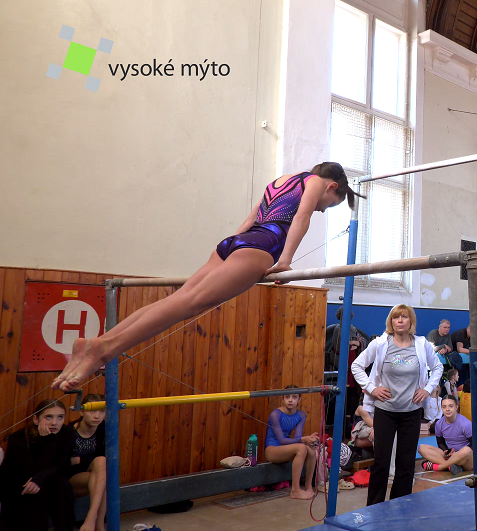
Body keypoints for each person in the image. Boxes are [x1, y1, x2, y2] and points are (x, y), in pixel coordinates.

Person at [53, 162, 359, 391]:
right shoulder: (315, 182)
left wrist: (233, 247)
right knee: (187, 305)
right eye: (329, 205)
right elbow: (302, 217)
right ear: (332, 186)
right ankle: (105, 350)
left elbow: (250, 219)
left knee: (178, 300)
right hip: (262, 246)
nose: (322, 210)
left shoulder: (280, 181)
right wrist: (285, 261)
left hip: (236, 243)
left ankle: (98, 343)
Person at [351, 304, 443, 506]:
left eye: (404, 317)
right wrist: (371, 388)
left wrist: (427, 389)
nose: (400, 321)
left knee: (406, 463)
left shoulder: (421, 344)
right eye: (396, 317)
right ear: (391, 322)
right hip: (385, 412)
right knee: (381, 463)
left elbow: (437, 367)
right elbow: (356, 365)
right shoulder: (380, 344)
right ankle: (374, 507)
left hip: (411, 412)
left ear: (411, 321)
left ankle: (400, 506)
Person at [0, 400, 74, 531]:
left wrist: (40, 479)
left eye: (60, 417)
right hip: (17, 481)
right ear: (36, 419)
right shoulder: (19, 437)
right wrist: (49, 441)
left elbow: (60, 465)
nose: (54, 423)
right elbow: (31, 470)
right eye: (48, 417)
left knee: (61, 484)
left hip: (43, 477)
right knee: (38, 490)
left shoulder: (66, 433)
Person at [264, 386, 319, 500]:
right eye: (287, 397)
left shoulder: (301, 415)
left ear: (299, 399)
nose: (290, 400)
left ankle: (308, 486)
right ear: (282, 399)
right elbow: (281, 440)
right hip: (272, 449)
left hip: (286, 448)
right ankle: (295, 490)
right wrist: (303, 439)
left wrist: (309, 439)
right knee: (302, 448)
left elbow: (298, 437)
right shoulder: (276, 414)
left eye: (294, 397)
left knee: (311, 450)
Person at [65, 394, 107, 531]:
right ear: (82, 411)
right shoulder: (70, 431)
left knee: (101, 464)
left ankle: (94, 521)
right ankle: (95, 522)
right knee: (101, 479)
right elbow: (63, 463)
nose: (97, 416)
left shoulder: (104, 429)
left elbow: (105, 459)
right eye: (92, 411)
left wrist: (79, 460)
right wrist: (83, 461)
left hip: (95, 476)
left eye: (102, 411)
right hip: (71, 480)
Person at [417, 396, 473, 475]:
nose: (447, 409)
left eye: (451, 406)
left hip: (465, 458)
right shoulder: (439, 424)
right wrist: (446, 451)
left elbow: (475, 446)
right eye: (444, 407)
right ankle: (450, 466)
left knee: (466, 450)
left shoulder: (465, 424)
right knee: (421, 448)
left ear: (456, 407)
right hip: (450, 455)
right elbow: (441, 443)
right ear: (441, 408)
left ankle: (440, 467)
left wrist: (457, 454)